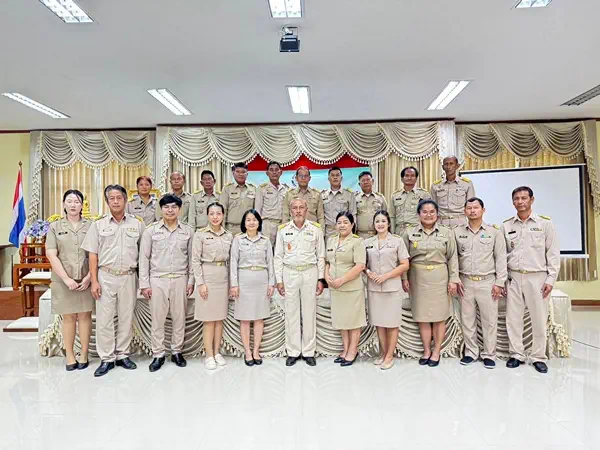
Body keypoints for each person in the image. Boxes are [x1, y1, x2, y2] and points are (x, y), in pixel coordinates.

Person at [82, 184, 144, 377]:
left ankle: (122, 354)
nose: (116, 201)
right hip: (106, 276)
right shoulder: (98, 225)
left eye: (119, 198)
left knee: (126, 317)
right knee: (104, 319)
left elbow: (144, 253)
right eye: (112, 198)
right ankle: (107, 358)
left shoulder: (137, 224)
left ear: (125, 200)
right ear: (107, 201)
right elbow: (92, 255)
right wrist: (94, 281)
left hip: (128, 276)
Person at [502, 186, 560, 374]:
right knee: (513, 319)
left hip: (537, 277)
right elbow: (502, 256)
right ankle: (516, 354)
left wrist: (550, 279)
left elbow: (553, 254)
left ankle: (538, 356)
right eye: (516, 199)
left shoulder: (545, 224)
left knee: (539, 319)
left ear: (532, 200)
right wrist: (502, 280)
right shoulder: (506, 226)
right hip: (514, 277)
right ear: (513, 202)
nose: (520, 202)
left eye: (524, 198)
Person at [139, 195, 195, 372]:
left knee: (179, 317)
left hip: (180, 278)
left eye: (174, 207)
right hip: (158, 279)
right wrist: (144, 284)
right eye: (166, 207)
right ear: (161, 209)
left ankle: (177, 351)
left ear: (180, 209)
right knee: (158, 319)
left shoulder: (188, 231)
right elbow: (144, 258)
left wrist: (191, 281)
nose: (170, 210)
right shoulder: (150, 231)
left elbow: (192, 259)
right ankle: (158, 354)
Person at [402, 199, 459, 367]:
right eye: (425, 212)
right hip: (417, 278)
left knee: (439, 317)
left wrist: (453, 279)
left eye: (432, 212)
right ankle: (427, 350)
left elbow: (453, 258)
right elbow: (403, 259)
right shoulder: (409, 233)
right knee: (423, 317)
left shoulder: (447, 233)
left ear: (437, 214)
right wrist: (404, 278)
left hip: (439, 277)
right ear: (418, 214)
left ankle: (436, 351)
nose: (428, 215)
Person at [454, 197, 507, 369]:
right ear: (464, 211)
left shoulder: (494, 232)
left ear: (483, 210)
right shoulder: (457, 232)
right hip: (465, 282)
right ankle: (471, 352)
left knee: (489, 320)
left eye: (476, 208)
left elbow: (501, 258)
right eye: (469, 208)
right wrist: (455, 278)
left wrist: (500, 282)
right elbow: (453, 258)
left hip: (487, 282)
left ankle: (489, 354)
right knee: (467, 319)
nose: (472, 211)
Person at [45, 189, 94, 371]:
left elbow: (96, 253)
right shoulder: (54, 227)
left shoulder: (91, 226)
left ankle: (84, 354)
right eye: (70, 201)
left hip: (86, 279)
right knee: (68, 317)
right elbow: (51, 254)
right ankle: (70, 356)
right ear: (64, 204)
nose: (73, 205)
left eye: (77, 201)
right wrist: (66, 279)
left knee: (85, 316)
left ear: (82, 205)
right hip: (63, 280)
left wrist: (89, 277)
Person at [274, 198, 326, 367]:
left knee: (309, 312)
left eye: (301, 207)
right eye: (294, 208)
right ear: (290, 211)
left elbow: (321, 255)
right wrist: (279, 280)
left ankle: (309, 351)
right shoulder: (283, 230)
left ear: (306, 209)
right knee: (291, 313)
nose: (298, 211)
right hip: (289, 273)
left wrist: (321, 279)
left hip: (310, 272)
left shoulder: (315, 229)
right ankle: (293, 351)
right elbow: (278, 257)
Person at [364, 210, 410, 370]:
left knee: (392, 323)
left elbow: (405, 265)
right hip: (374, 288)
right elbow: (363, 265)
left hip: (392, 288)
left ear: (389, 223)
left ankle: (390, 356)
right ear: (373, 224)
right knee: (379, 322)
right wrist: (369, 272)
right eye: (377, 221)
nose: (380, 224)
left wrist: (386, 276)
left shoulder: (397, 241)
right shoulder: (367, 242)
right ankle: (383, 354)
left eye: (383, 221)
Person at [229, 209, 275, 366]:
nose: (251, 222)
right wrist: (234, 284)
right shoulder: (238, 240)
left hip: (261, 281)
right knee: (245, 318)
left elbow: (270, 262)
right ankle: (247, 352)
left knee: (259, 317)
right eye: (248, 220)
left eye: (254, 219)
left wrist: (271, 283)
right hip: (244, 281)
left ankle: (256, 351)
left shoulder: (265, 240)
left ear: (259, 222)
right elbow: (233, 262)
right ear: (244, 223)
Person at [192, 202, 234, 370]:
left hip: (222, 277)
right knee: (209, 320)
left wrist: (231, 284)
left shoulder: (229, 236)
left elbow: (231, 261)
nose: (215, 217)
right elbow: (195, 260)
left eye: (218, 213)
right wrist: (200, 283)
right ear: (207, 216)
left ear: (223, 215)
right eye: (212, 214)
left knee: (219, 318)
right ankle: (208, 355)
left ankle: (217, 352)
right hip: (207, 276)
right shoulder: (200, 234)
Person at [325, 211, 366, 367]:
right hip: (335, 288)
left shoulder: (357, 241)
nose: (342, 225)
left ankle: (353, 350)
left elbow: (360, 266)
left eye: (345, 222)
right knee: (342, 320)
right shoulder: (331, 240)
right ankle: (346, 348)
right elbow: (327, 262)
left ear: (352, 225)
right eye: (339, 222)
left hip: (351, 287)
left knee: (353, 321)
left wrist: (342, 280)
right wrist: (326, 276)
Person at [430, 156, 475, 228]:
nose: (448, 167)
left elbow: (471, 207)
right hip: (441, 223)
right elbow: (433, 208)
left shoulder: (466, 184)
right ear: (443, 167)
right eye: (446, 164)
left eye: (451, 164)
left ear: (457, 166)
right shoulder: (435, 186)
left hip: (460, 223)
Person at [255, 161, 290, 245]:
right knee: (267, 249)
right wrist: (257, 227)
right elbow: (257, 209)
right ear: (267, 173)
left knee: (281, 249)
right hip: (267, 225)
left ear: (281, 172)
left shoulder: (286, 189)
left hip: (283, 224)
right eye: (271, 170)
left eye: (276, 170)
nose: (274, 172)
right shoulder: (262, 188)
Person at [391, 166, 431, 234]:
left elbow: (429, 216)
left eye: (412, 176)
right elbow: (392, 216)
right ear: (402, 179)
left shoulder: (424, 194)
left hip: (417, 231)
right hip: (399, 231)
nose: (409, 178)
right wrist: (392, 233)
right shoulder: (395, 195)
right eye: (407, 175)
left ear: (416, 179)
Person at [321, 167, 357, 241]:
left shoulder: (349, 194)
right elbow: (320, 216)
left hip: (345, 232)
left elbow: (353, 214)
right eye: (332, 175)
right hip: (328, 233)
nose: (335, 177)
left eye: (337, 175)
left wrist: (352, 233)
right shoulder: (322, 195)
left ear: (341, 178)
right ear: (328, 179)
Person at [220, 162, 256, 235]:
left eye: (243, 172)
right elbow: (223, 210)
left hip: (248, 228)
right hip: (231, 228)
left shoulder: (253, 188)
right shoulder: (227, 188)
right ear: (233, 173)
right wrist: (222, 228)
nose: (240, 174)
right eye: (238, 172)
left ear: (247, 174)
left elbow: (256, 210)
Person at [355, 171, 387, 239]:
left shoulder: (380, 197)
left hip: (377, 235)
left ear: (372, 181)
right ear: (359, 184)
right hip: (360, 236)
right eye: (363, 180)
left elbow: (386, 216)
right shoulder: (355, 198)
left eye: (368, 180)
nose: (366, 182)